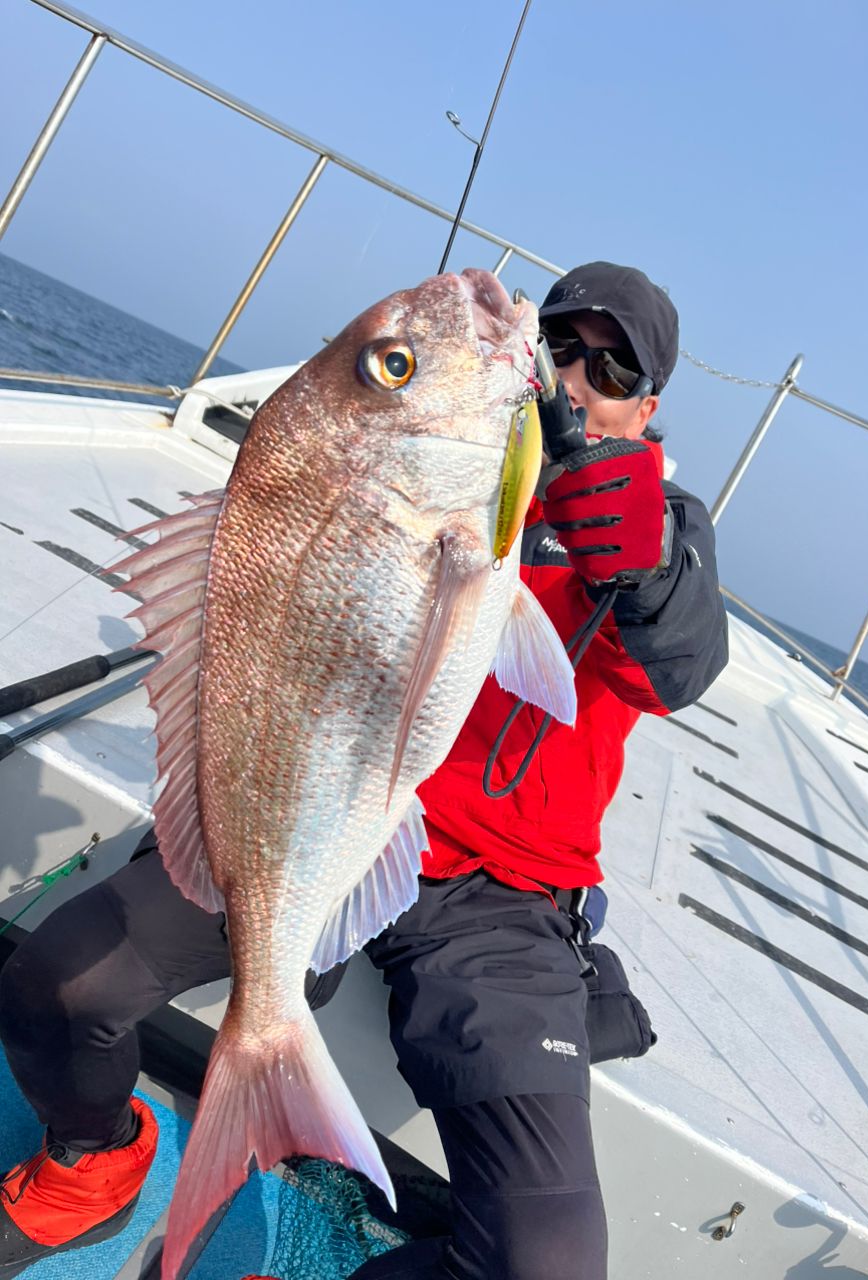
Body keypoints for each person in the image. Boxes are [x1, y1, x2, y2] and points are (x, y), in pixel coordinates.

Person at [0, 262, 727, 1279]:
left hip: (502, 896)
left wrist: (640, 564)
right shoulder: (448, 464)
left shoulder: (659, 529)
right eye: (560, 345)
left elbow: (682, 661)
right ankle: (96, 1159)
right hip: (325, 809)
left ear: (646, 407)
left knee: (547, 1263)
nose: (574, 378)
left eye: (611, 368)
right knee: (59, 981)